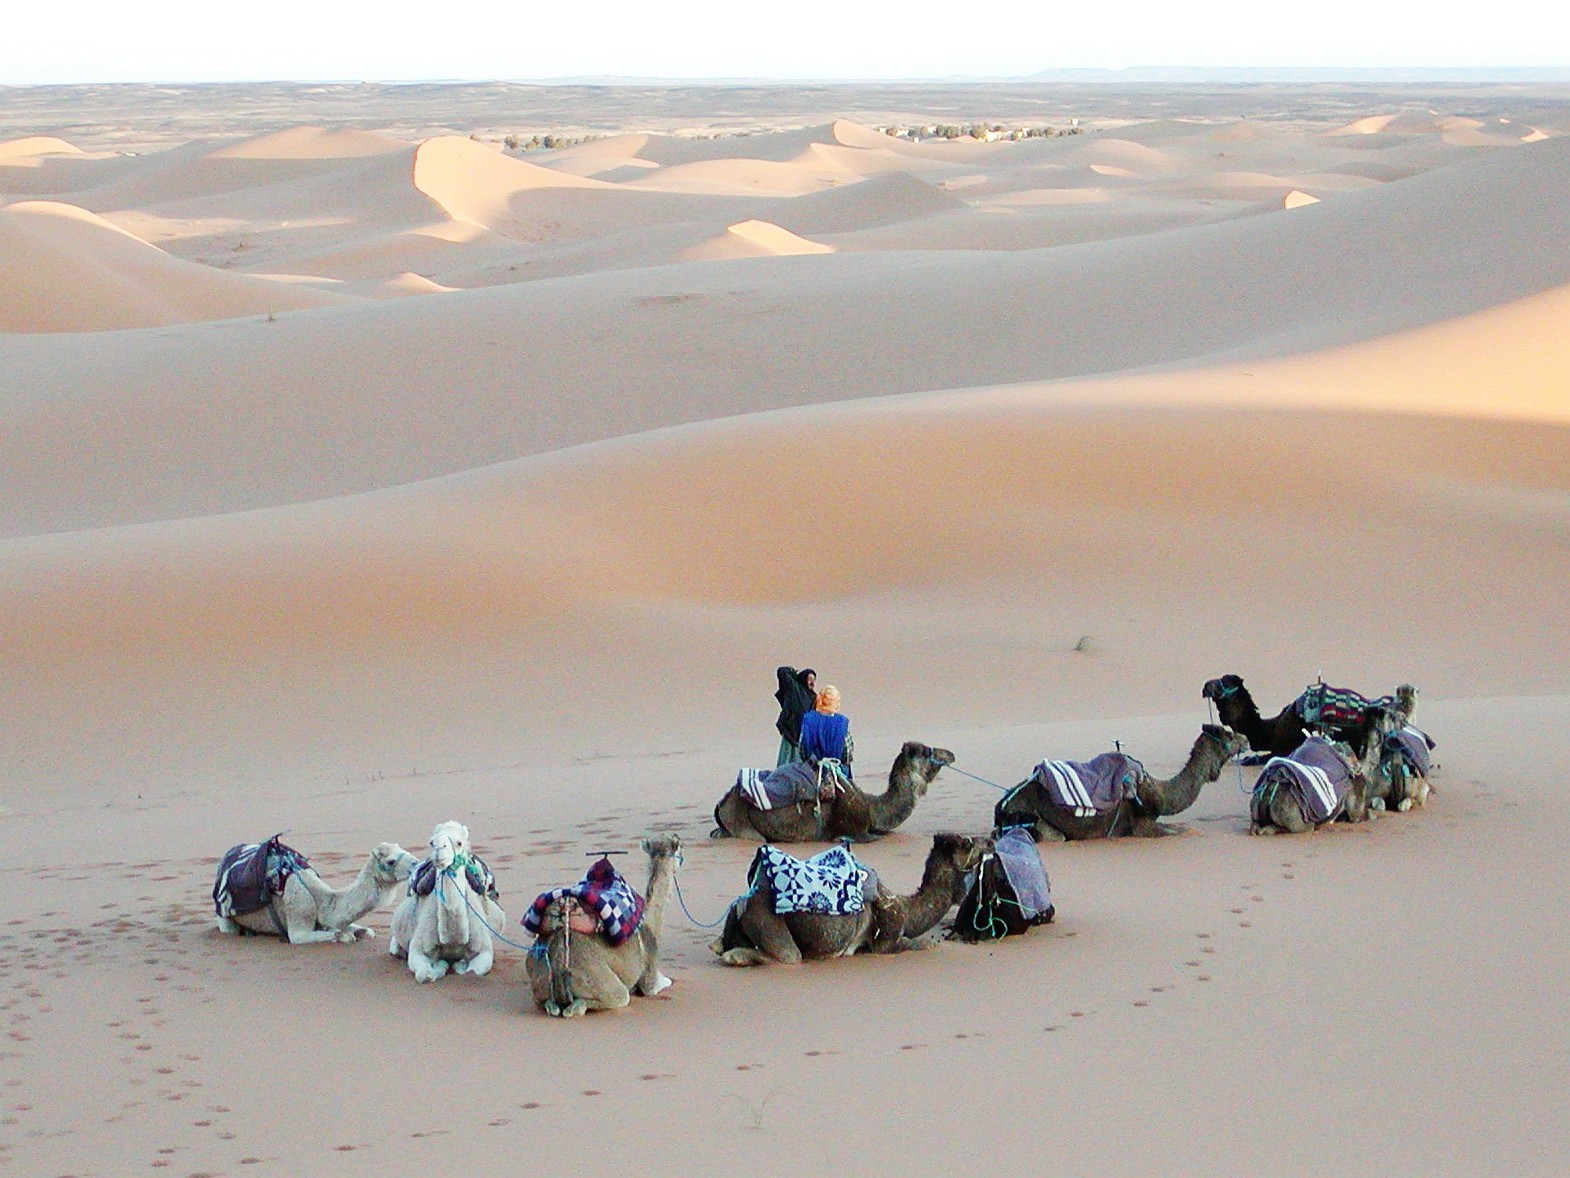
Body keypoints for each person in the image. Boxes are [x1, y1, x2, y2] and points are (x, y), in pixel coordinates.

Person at [798, 684, 852, 784]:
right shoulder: (842, 722)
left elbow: (803, 749)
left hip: (812, 771)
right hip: (837, 770)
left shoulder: (808, 719)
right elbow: (847, 753)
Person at [774, 666, 817, 766]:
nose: (812, 683)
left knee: (799, 763)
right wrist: (795, 674)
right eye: (809, 679)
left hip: (803, 736)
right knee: (784, 761)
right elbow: (782, 671)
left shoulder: (814, 697)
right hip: (790, 731)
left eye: (814, 680)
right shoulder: (794, 687)